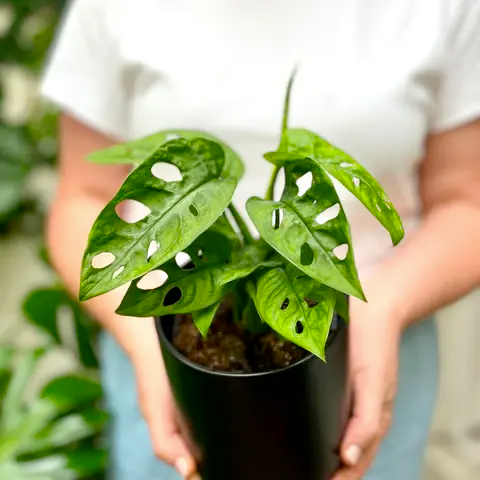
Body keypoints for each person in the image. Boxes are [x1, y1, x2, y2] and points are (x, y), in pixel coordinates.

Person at [41, 1, 480, 479]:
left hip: (367, 353)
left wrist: (384, 308)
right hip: (172, 352)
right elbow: (82, 197)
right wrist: (147, 344)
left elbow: (467, 204)